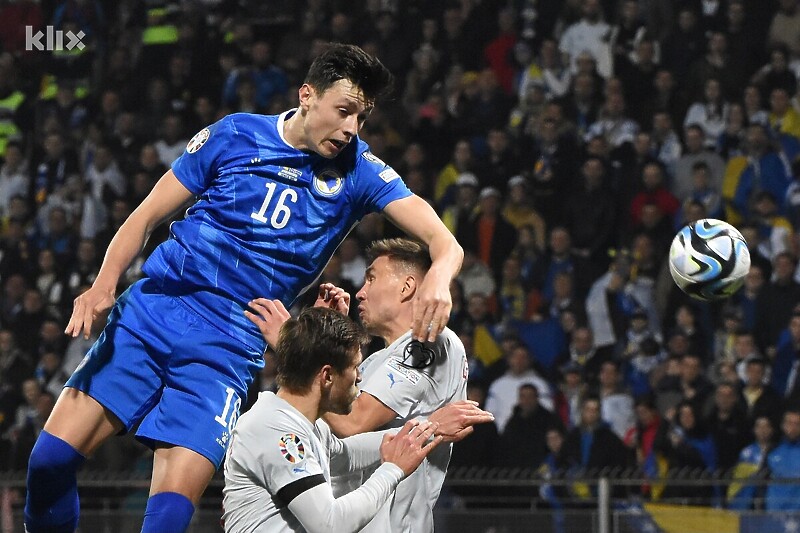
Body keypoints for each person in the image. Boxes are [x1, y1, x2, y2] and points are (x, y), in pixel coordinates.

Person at [25, 44, 464, 533]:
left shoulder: (359, 172)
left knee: (167, 519)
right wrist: (103, 284)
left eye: (361, 118)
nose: (350, 129)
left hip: (228, 344)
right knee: (47, 465)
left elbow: (443, 241)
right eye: (343, 111)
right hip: (154, 310)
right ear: (307, 95)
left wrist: (440, 277)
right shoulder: (235, 134)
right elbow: (147, 214)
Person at [247, 238, 487, 532]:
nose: (360, 293)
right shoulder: (374, 363)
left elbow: (353, 421)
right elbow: (328, 440)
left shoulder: (432, 340)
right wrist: (323, 338)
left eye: (371, 278)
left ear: (407, 287)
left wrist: (294, 348)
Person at [222, 306, 442, 533]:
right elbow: (330, 524)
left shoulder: (305, 423)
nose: (359, 377)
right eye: (355, 366)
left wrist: (427, 431)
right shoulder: (274, 429)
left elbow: (343, 455)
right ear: (327, 376)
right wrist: (393, 470)